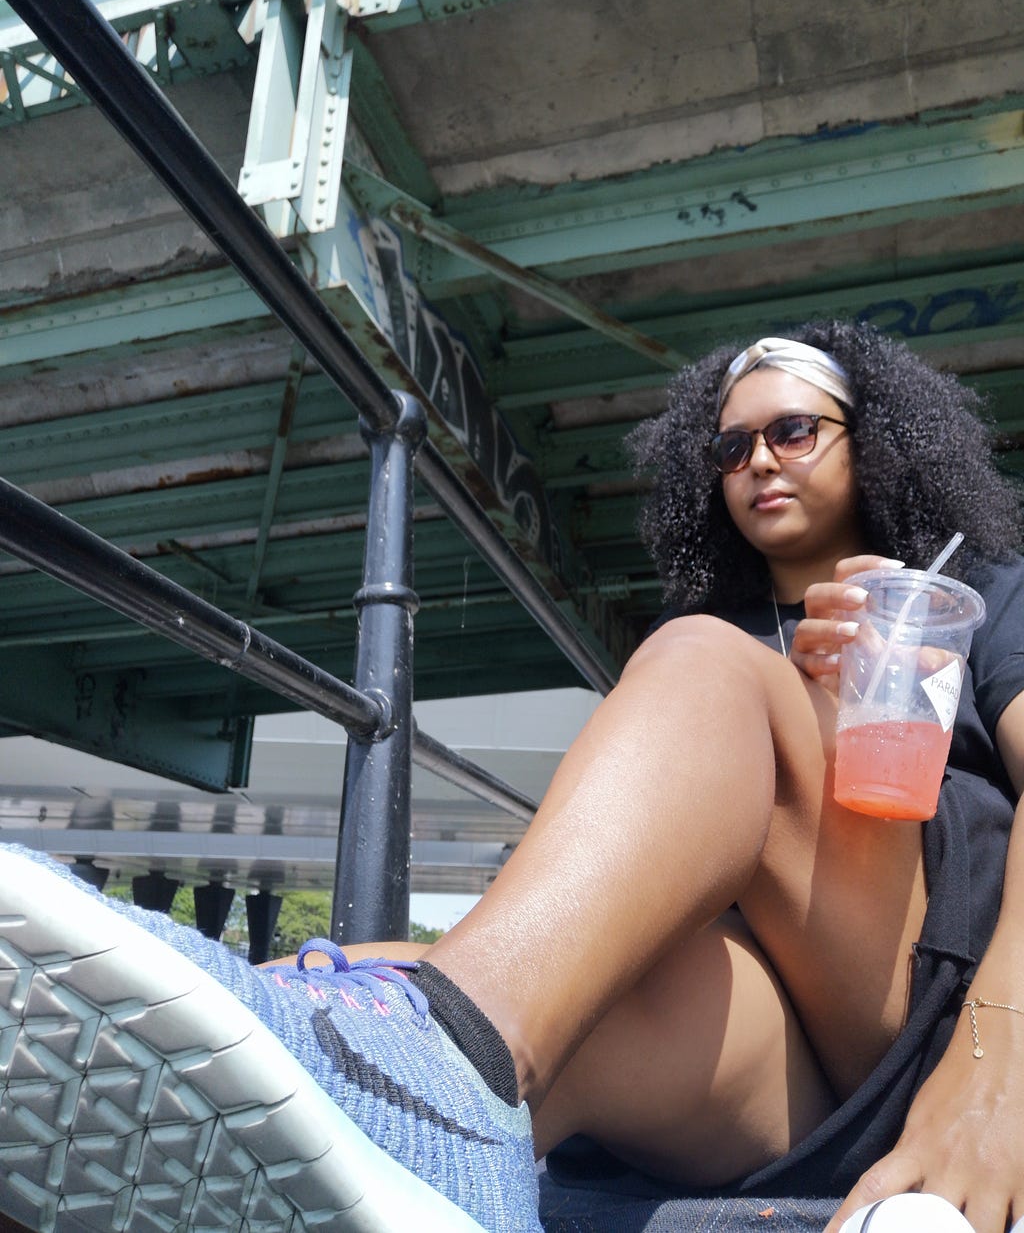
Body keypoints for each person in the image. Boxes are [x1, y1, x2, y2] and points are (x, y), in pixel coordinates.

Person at [0, 320, 1021, 1233]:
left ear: (876, 439)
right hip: (783, 1067)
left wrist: (997, 1065)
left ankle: (430, 1080)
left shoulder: (971, 593)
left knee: (699, 659)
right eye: (728, 446)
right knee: (380, 1000)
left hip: (941, 1009)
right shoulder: (734, 640)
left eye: (793, 430)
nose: (758, 460)